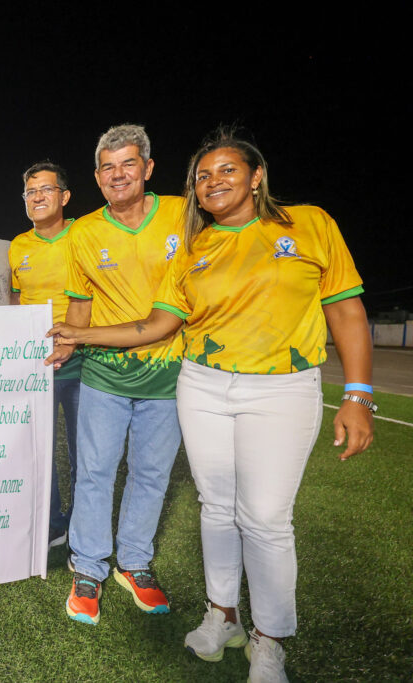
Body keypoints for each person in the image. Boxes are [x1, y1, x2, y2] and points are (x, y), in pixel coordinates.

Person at [48, 129, 373, 682]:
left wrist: (358, 394)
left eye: (227, 171)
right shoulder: (191, 244)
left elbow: (345, 309)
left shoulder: (301, 224)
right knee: (214, 507)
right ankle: (219, 613)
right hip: (199, 384)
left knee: (264, 517)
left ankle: (269, 637)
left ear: (257, 175)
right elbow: (156, 320)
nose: (214, 182)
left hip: (270, 386)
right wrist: (77, 338)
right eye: (204, 175)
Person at [60, 125, 186, 625]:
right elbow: (80, 304)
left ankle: (134, 562)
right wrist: (68, 342)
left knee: (151, 473)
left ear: (148, 168)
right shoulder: (84, 232)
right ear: (96, 176)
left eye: (128, 164)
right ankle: (88, 567)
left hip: (168, 373)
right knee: (95, 472)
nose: (118, 175)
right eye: (108, 167)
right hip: (105, 375)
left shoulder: (183, 214)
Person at [8, 161, 82, 550]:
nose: (37, 197)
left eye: (46, 190)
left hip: (83, 359)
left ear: (64, 196)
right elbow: (17, 299)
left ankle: (82, 527)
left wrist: (73, 341)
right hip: (37, 363)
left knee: (84, 451)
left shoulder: (85, 233)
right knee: (40, 450)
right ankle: (53, 523)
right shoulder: (18, 246)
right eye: (30, 192)